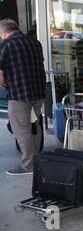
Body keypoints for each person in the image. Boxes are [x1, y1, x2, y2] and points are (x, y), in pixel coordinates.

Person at [0, 19, 46, 175]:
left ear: (3, 32)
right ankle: (37, 161)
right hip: (38, 93)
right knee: (35, 125)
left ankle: (28, 166)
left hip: (19, 94)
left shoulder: (6, 44)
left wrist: (3, 84)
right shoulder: (35, 43)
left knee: (22, 130)